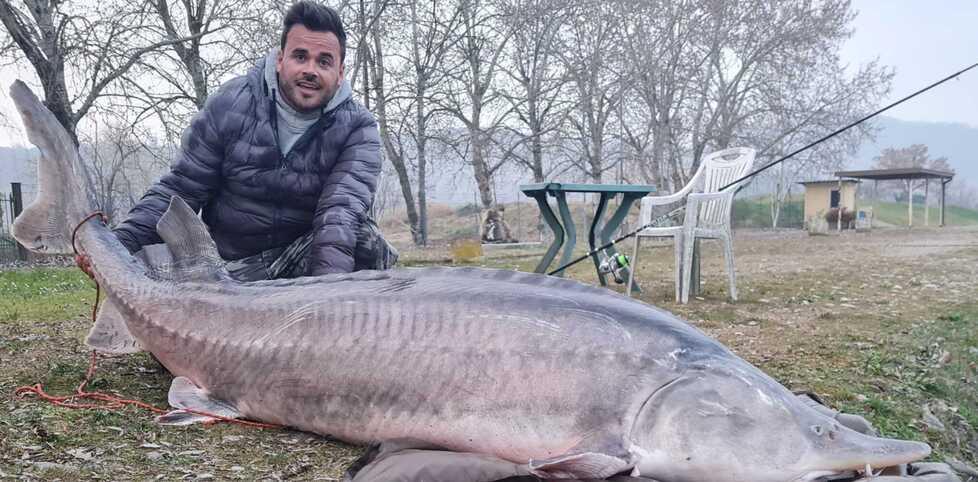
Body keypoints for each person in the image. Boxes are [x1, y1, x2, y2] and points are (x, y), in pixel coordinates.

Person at [78, 0, 396, 281]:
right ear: (281, 59)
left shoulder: (359, 128)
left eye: (324, 61)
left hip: (303, 265)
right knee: (154, 271)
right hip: (229, 266)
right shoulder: (230, 103)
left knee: (367, 241)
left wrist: (324, 300)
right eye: (301, 56)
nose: (310, 70)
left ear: (340, 72)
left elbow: (339, 216)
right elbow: (181, 189)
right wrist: (117, 248)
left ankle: (322, 330)